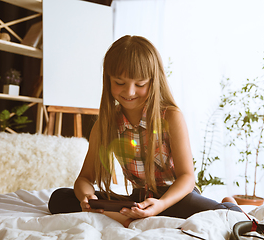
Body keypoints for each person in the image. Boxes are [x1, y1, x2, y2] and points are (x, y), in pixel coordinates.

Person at [48, 35, 241, 227]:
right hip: (139, 200)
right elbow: (84, 178)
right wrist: (87, 198)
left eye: (140, 84)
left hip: (175, 198)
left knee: (231, 217)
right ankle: (130, 216)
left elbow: (187, 177)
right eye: (120, 82)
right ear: (108, 80)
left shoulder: (171, 117)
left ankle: (227, 203)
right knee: (59, 198)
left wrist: (161, 204)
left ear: (153, 81)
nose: (129, 92)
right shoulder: (104, 125)